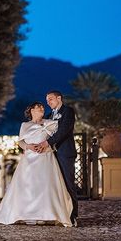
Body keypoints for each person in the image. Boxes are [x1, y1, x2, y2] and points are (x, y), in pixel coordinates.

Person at [0, 102, 73, 226]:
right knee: (29, 186)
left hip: (46, 157)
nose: (41, 108)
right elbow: (21, 142)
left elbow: (56, 139)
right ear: (31, 111)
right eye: (38, 107)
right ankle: (28, 214)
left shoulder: (50, 123)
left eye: (42, 107)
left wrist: (46, 146)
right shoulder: (25, 125)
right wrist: (29, 146)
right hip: (30, 159)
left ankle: (47, 214)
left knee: (46, 185)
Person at [33, 90, 78, 226]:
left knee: (68, 184)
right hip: (51, 156)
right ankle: (58, 214)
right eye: (47, 100)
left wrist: (47, 143)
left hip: (65, 153)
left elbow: (64, 131)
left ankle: (72, 216)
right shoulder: (48, 115)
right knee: (55, 186)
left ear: (59, 98)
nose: (48, 102)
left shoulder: (68, 111)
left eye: (51, 99)